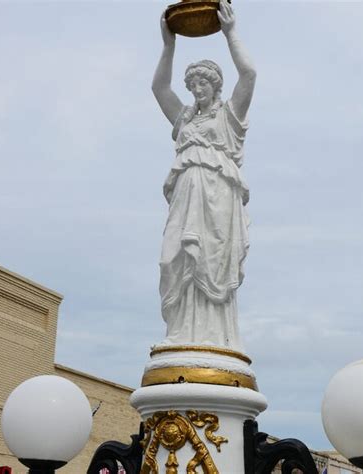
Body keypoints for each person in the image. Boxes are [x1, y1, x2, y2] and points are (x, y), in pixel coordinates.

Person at [152, 0, 256, 350]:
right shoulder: (183, 119)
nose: (196, 90)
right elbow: (159, 89)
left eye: (202, 84)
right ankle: (181, 335)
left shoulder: (229, 118)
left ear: (215, 86)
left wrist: (231, 34)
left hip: (218, 199)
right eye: (192, 84)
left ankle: (215, 340)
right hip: (186, 194)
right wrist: (169, 46)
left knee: (211, 261)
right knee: (175, 257)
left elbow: (249, 75)